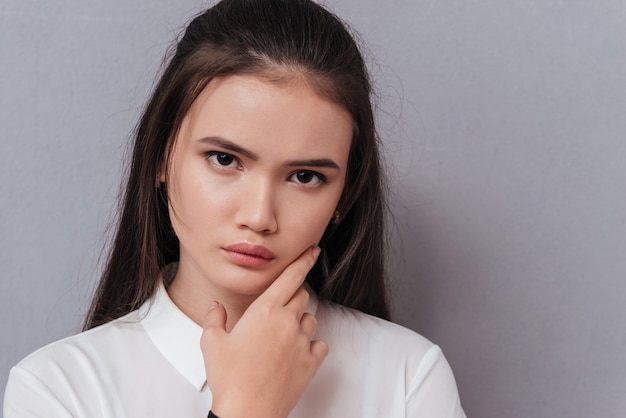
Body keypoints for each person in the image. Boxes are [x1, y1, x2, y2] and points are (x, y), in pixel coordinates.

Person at [3, 0, 466, 416]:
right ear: (163, 157)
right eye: (224, 159)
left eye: (305, 176)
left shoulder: (408, 376)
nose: (260, 216)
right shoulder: (57, 389)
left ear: (344, 194)